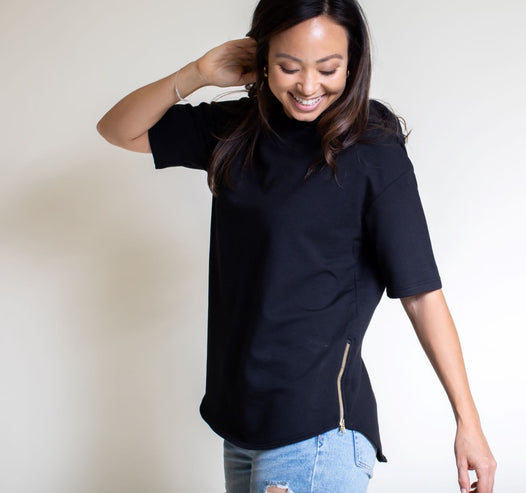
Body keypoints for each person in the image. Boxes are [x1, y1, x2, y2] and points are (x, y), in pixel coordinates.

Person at [96, 0, 496, 491]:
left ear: (352, 63)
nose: (308, 87)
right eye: (289, 67)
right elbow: (118, 130)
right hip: (242, 427)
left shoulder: (372, 147)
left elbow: (421, 293)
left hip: (318, 433)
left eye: (327, 69)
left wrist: (468, 422)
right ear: (263, 59)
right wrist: (196, 73)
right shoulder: (238, 129)